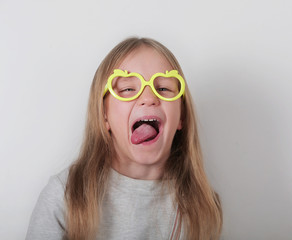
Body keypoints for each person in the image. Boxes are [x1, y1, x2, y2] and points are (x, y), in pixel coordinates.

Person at [26, 37, 222, 240]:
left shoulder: (203, 205)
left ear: (181, 116)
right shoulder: (64, 196)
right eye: (128, 89)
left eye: (163, 88)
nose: (149, 98)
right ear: (104, 115)